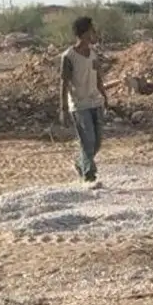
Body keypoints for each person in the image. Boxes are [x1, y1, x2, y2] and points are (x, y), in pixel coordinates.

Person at [59, 16, 109, 184]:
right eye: (91, 30)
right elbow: (64, 83)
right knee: (88, 140)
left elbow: (98, 78)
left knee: (96, 143)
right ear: (84, 32)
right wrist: (63, 109)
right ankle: (89, 175)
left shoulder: (93, 54)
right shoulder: (68, 56)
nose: (94, 33)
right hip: (79, 104)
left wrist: (104, 95)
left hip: (95, 102)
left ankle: (81, 163)